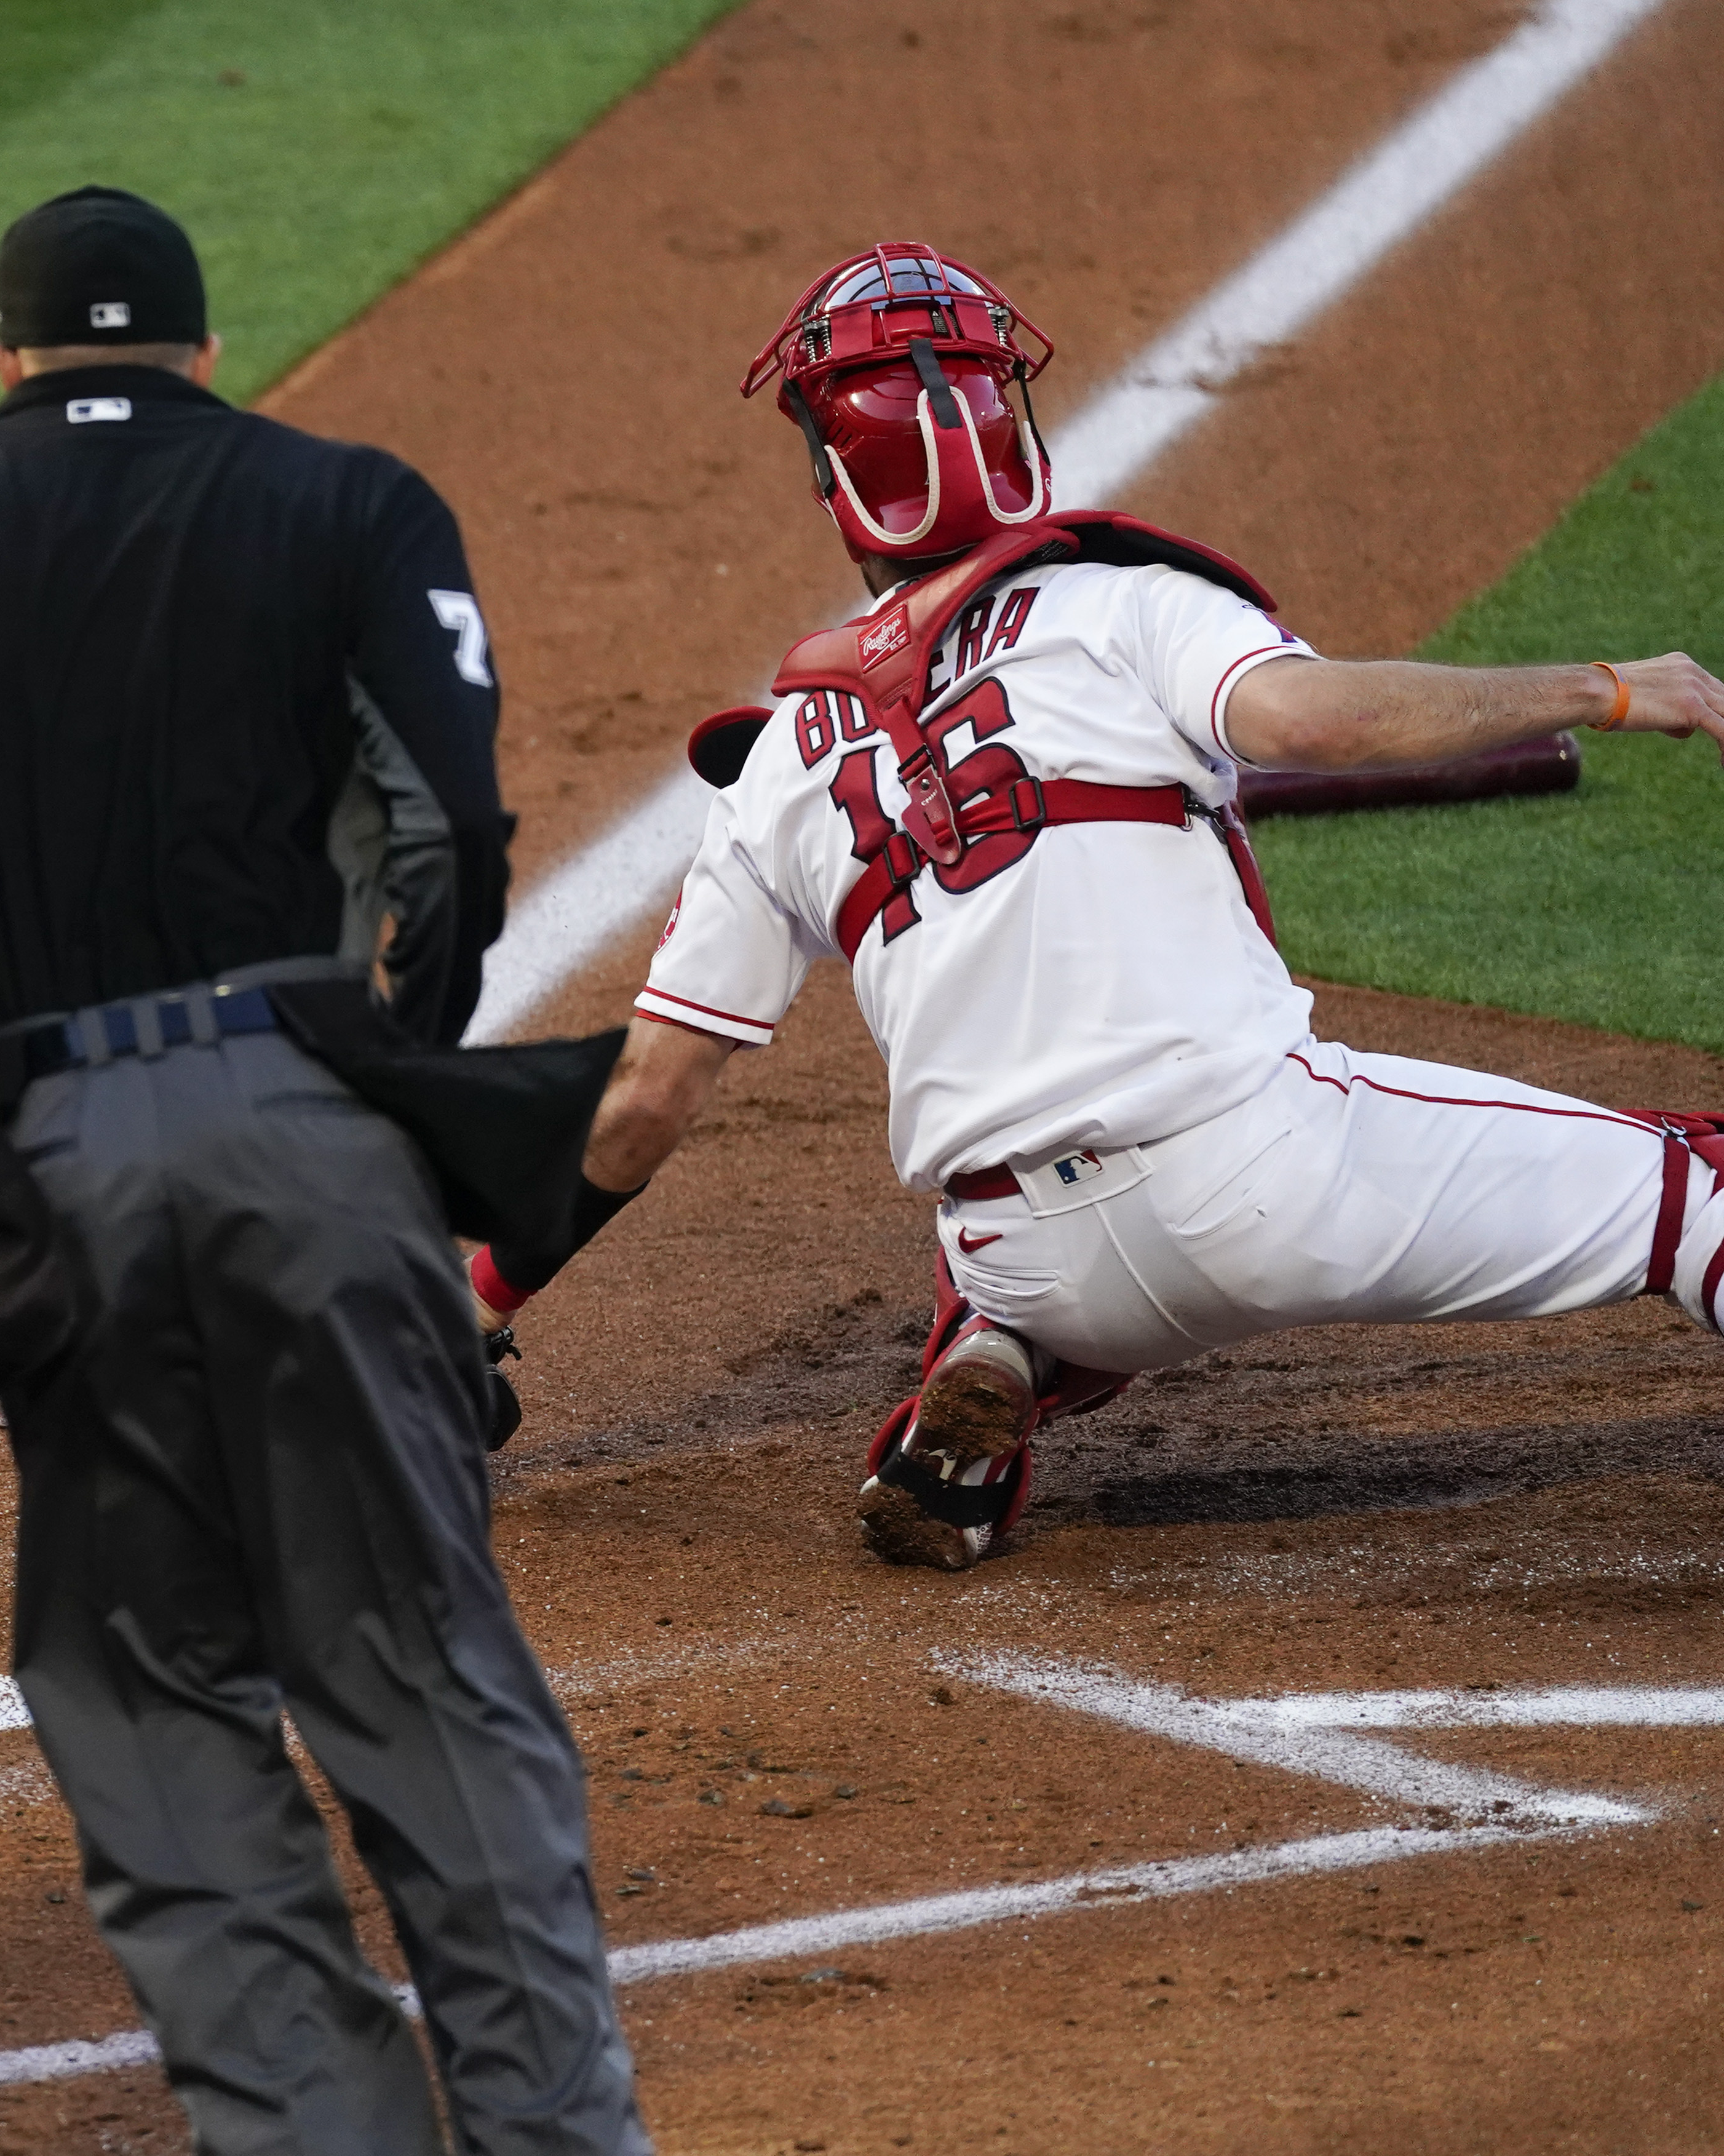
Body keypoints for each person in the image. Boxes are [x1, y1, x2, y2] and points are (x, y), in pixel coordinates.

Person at [0, 186, 661, 2156]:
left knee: (136, 1689)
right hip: (308, 1123)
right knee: (420, 1674)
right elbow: (456, 835)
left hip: (54, 1179)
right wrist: (392, 1086)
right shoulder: (346, 503)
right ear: (202, 351)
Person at [469, 242, 1724, 1573]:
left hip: (1022, 1248)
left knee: (1008, 1178)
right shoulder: (1125, 611)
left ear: (835, 478)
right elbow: (1312, 717)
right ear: (1016, 430)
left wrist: (475, 1297)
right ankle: (1005, 1356)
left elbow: (645, 1103)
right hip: (1266, 1180)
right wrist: (1602, 684)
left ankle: (996, 1362)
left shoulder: (778, 765)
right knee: (1694, 1186)